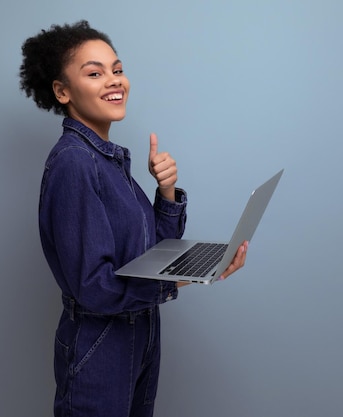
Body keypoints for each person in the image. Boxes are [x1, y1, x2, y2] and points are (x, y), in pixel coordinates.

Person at [19, 20, 249, 417]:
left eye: (118, 70)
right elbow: (93, 287)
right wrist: (183, 276)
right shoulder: (75, 162)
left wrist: (165, 193)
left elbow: (153, 252)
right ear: (62, 91)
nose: (114, 81)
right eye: (94, 73)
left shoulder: (109, 160)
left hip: (140, 332)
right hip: (100, 340)